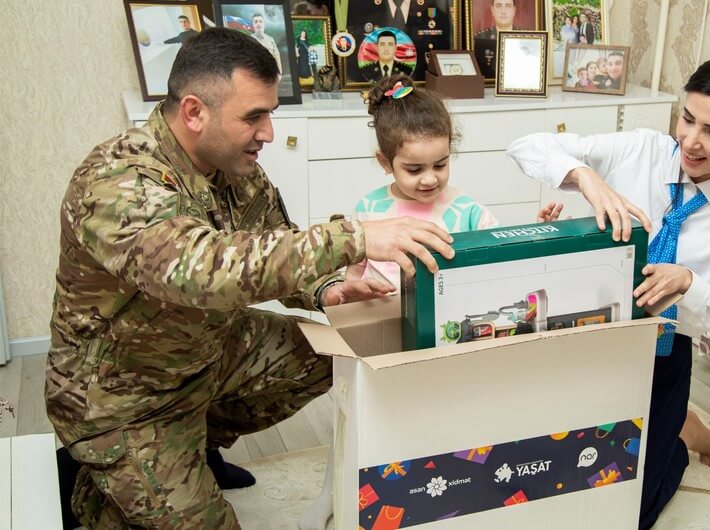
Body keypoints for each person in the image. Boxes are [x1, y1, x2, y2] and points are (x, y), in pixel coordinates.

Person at [47, 27, 455, 530]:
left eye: (270, 114)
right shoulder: (117, 180)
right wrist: (355, 237)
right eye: (253, 116)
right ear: (195, 112)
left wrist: (324, 288)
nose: (266, 132)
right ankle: (101, 485)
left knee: (331, 356)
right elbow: (199, 270)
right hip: (126, 394)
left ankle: (195, 445)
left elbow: (273, 241)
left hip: (205, 351)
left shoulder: (235, 167)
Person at [506, 50, 710, 528]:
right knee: (549, 480)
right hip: (586, 333)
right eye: (688, 118)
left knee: (632, 512)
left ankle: (681, 434)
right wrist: (586, 177)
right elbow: (525, 145)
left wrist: (690, 286)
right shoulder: (641, 150)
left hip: (662, 353)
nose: (691, 143)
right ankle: (682, 421)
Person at [297, 75, 561, 530]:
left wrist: (536, 228)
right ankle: (332, 493)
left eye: (440, 165)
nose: (430, 179)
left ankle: (439, 496)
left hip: (448, 337)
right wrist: (350, 286)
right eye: (414, 169)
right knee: (360, 418)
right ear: (385, 162)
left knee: (437, 423)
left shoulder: (468, 211)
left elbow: (498, 262)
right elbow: (355, 272)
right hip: (386, 333)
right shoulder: (368, 208)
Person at [474, 0, 522, 78]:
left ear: (514, 10)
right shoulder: (479, 38)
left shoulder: (527, 37)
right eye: (499, 6)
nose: (503, 11)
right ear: (492, 10)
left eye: (508, 6)